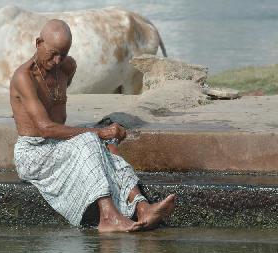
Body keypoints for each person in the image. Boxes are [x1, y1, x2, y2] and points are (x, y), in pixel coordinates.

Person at [9, 19, 176, 232]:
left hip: (57, 144)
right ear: (38, 42)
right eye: (52, 53)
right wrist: (99, 132)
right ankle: (108, 216)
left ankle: (142, 206)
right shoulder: (23, 77)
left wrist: (103, 136)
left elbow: (57, 105)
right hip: (34, 153)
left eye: (64, 53)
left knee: (109, 145)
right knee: (91, 139)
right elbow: (45, 128)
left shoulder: (68, 67)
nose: (58, 60)